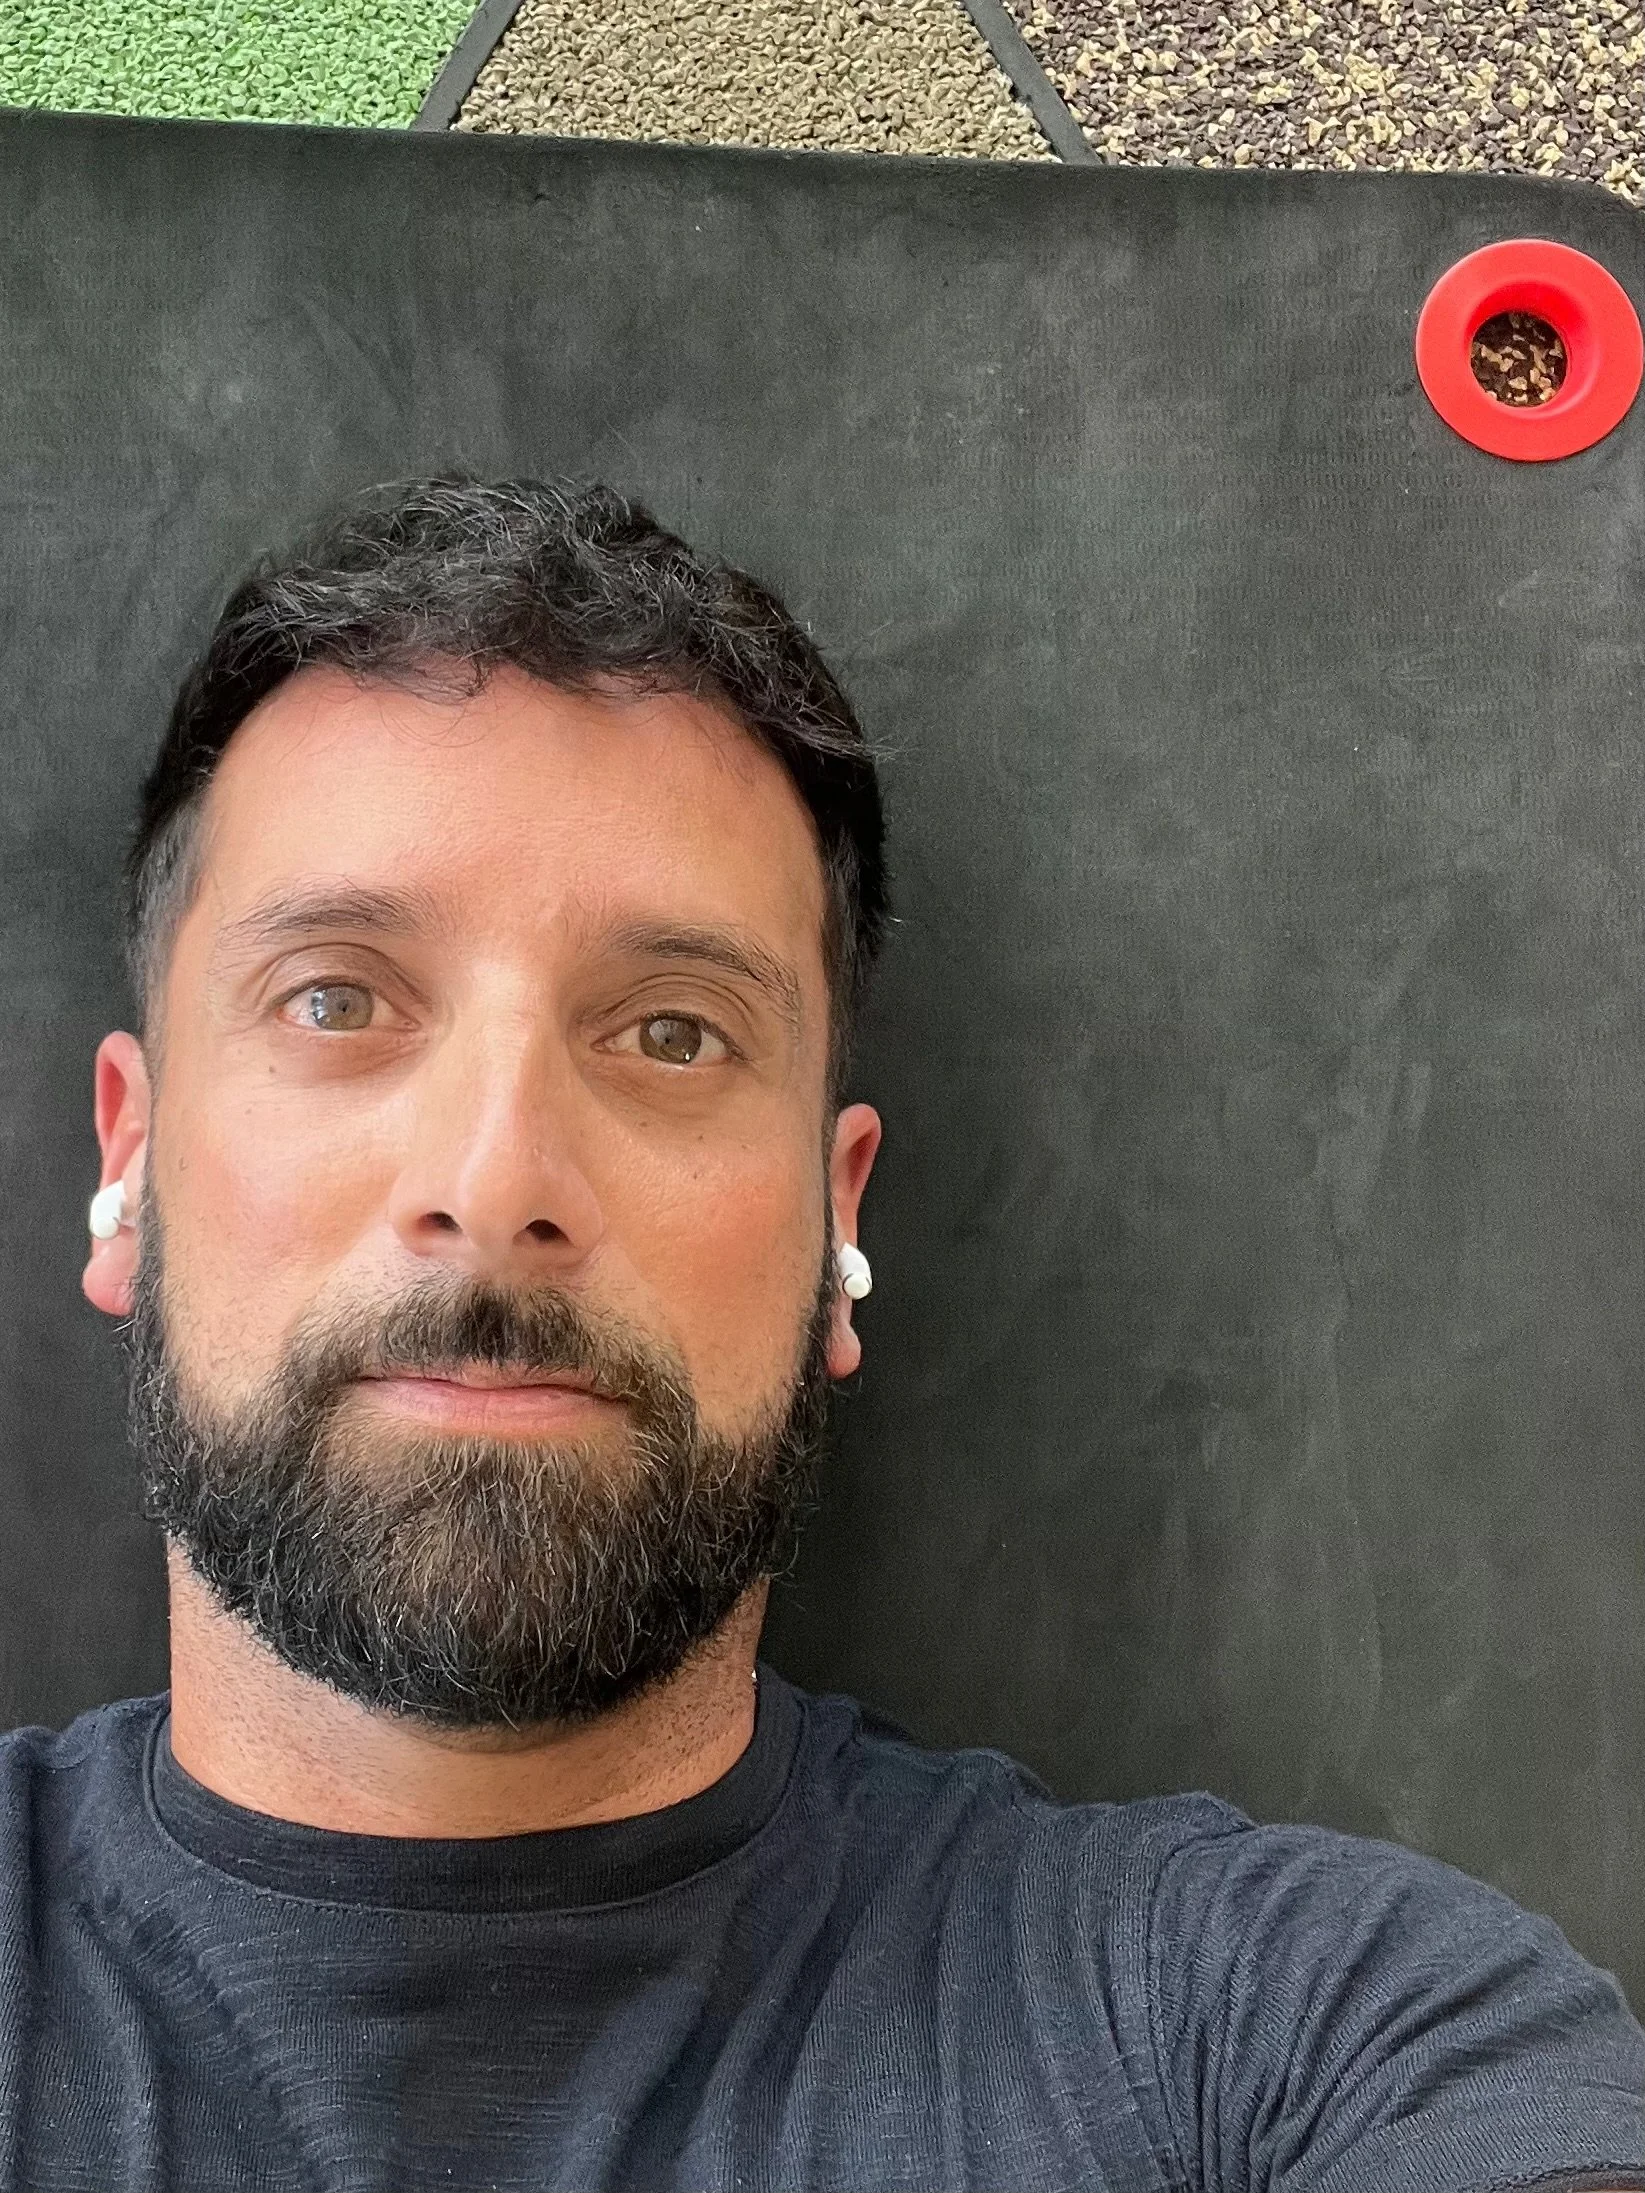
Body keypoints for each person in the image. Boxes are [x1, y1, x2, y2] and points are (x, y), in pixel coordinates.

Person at [8, 470, 1634, 2193]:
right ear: (131, 1159)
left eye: (674, 1032)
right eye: (336, 998)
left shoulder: (1307, 2037)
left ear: (837, 1214)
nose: (494, 1182)